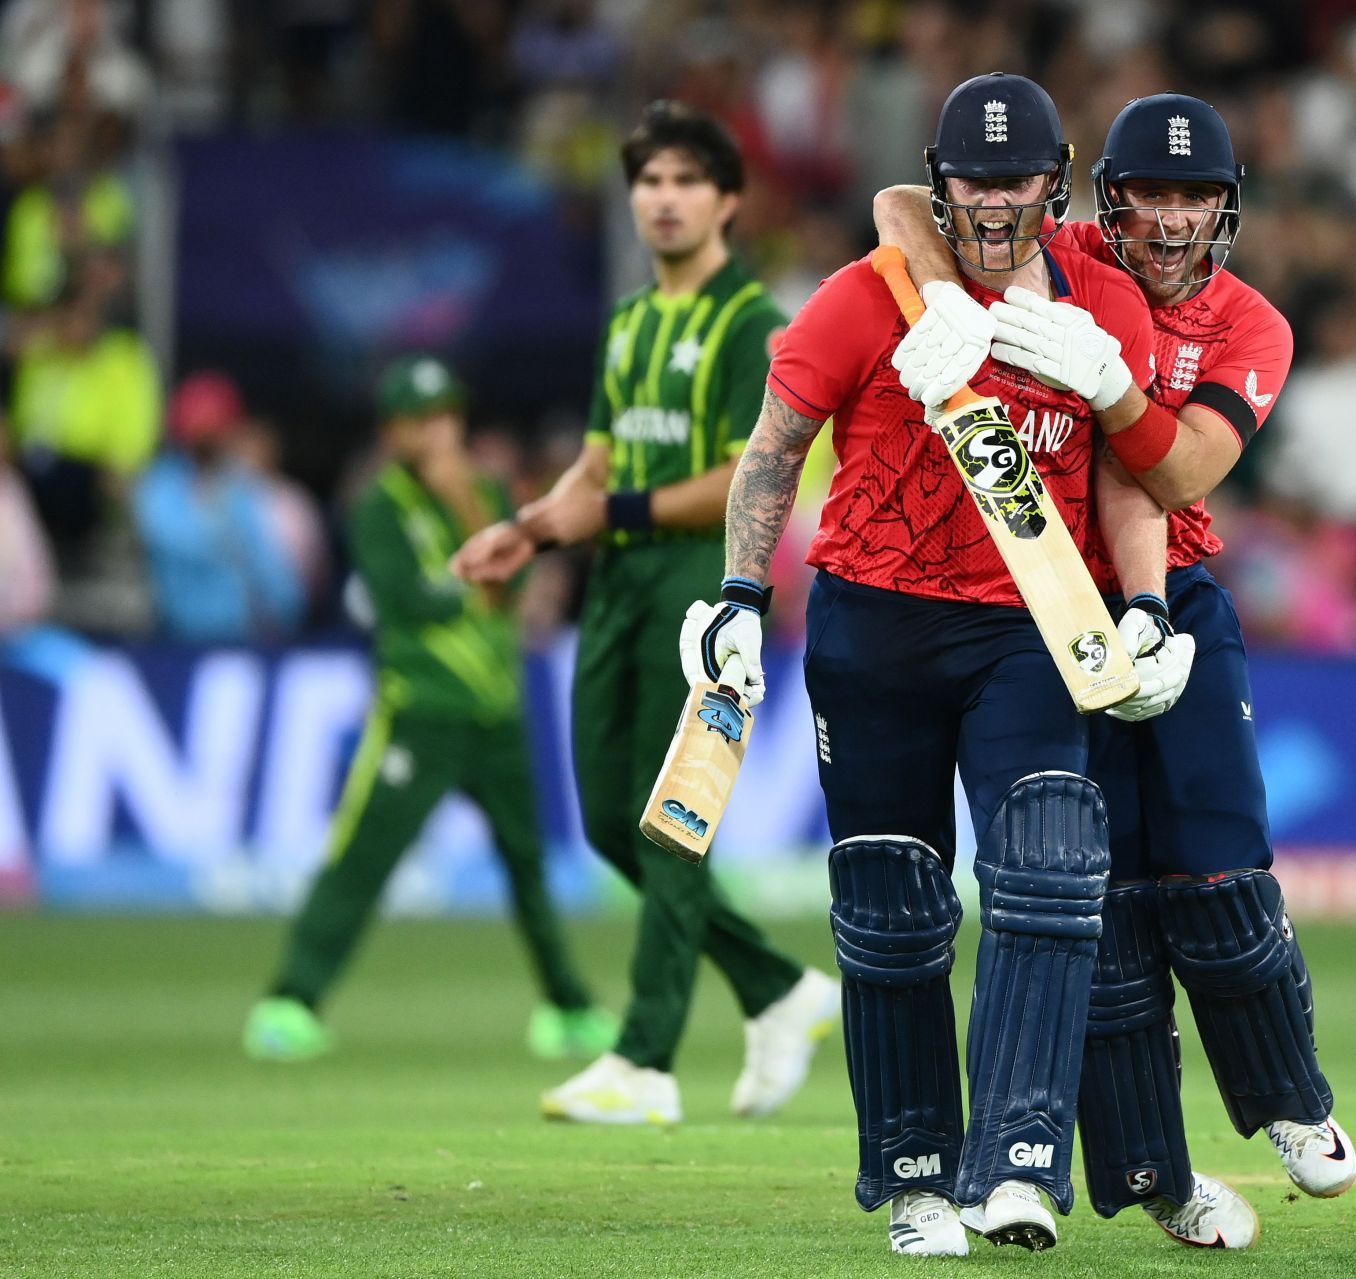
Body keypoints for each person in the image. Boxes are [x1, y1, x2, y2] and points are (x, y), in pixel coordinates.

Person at [683, 72, 1191, 1257]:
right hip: (873, 630)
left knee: (1053, 867)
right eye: (975, 179)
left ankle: (1015, 1161)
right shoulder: (869, 298)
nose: (997, 202)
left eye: (1019, 179)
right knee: (893, 909)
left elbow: (1130, 474)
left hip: (1030, 621)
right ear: (942, 180)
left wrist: (1152, 604)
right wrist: (742, 597)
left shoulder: (1099, 301)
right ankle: (913, 1175)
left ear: (1053, 184)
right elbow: (774, 450)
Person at [873, 92, 1356, 1250]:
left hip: (1172, 594)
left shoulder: (1253, 326)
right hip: (1046, 600)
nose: (1173, 217)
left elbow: (1183, 473)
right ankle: (1155, 1170)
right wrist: (942, 295)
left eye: (1196, 195)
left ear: (1226, 207)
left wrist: (1112, 387)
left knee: (1222, 861)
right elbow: (898, 201)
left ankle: (1290, 1102)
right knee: (1099, 901)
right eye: (1153, 191)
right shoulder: (1069, 249)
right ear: (1109, 197)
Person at [448, 101, 839, 1126]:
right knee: (611, 824)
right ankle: (776, 989)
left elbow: (752, 477)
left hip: (699, 584)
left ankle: (646, 1061)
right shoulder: (628, 321)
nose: (663, 200)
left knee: (671, 823)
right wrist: (529, 532)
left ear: (728, 201)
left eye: (684, 181)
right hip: (615, 578)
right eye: (648, 181)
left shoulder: (754, 324)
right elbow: (600, 458)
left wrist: (600, 511)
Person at [243, 356, 613, 1063]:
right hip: (421, 711)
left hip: (496, 711)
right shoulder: (378, 505)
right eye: (423, 419)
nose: (440, 430)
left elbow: (516, 579)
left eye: (448, 414)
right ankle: (290, 999)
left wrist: (472, 515)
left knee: (529, 865)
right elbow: (405, 599)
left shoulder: (491, 488)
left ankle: (567, 1007)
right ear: (394, 431)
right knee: (364, 858)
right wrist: (478, 575)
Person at [131, 372, 306, 645]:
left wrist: (284, 611)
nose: (215, 436)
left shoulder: (241, 486)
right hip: (176, 638)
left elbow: (269, 566)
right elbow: (177, 540)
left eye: (222, 425)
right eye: (207, 426)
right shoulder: (160, 484)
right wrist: (219, 520)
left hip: (241, 639)